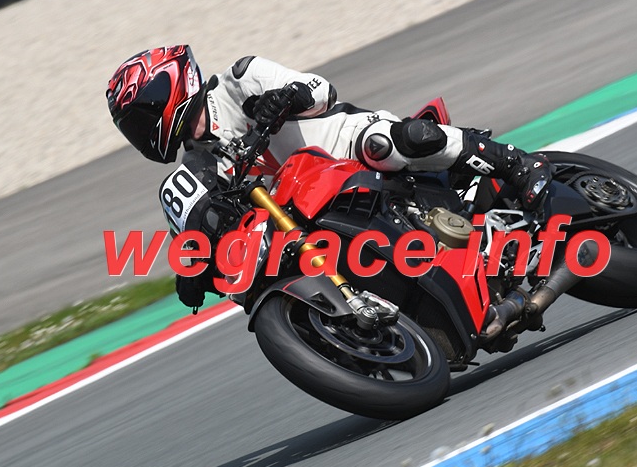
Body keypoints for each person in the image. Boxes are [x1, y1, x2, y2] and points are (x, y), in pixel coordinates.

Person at [106, 45, 552, 337]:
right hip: (303, 211)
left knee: (389, 143)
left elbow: (322, 90)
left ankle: (515, 163)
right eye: (134, 127)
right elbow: (195, 230)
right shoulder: (196, 169)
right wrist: (192, 269)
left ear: (172, 85)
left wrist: (287, 98)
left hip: (343, 149)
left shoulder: (239, 81)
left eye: (144, 115)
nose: (143, 130)